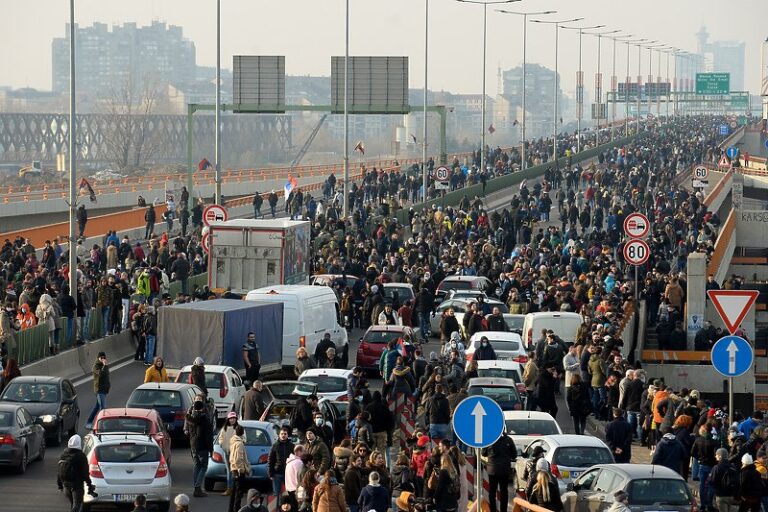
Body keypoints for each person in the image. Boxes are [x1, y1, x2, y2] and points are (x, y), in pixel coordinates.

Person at [57, 434, 95, 512]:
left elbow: (59, 470)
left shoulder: (64, 454)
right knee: (77, 506)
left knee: (73, 504)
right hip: (77, 486)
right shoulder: (81, 456)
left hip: (66, 485)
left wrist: (60, 485)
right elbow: (85, 473)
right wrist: (89, 486)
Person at [186, 394, 214, 498]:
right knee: (203, 466)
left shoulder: (190, 418)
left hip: (193, 445)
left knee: (197, 465)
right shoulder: (204, 419)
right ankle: (197, 487)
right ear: (202, 408)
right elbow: (208, 436)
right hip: (202, 446)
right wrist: (211, 449)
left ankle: (196, 487)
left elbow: (189, 432)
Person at [481, 432, 517, 512]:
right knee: (504, 491)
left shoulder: (490, 439)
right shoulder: (509, 440)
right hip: (504, 470)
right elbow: (514, 455)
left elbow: (483, 453)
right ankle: (503, 510)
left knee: (492, 491)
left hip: (492, 470)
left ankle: (493, 510)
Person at [219, 412, 243, 496]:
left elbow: (244, 439)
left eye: (234, 418)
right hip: (227, 452)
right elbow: (220, 438)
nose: (232, 420)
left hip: (236, 453)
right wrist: (222, 444)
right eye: (231, 418)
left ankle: (237, 489)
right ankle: (229, 488)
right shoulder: (224, 429)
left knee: (236, 470)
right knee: (229, 470)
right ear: (228, 419)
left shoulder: (239, 428)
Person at [85, 351, 110, 429]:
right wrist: (105, 365)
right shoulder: (95, 367)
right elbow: (101, 374)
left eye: (104, 357)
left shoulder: (104, 366)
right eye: (101, 358)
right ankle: (103, 425)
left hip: (104, 389)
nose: (103, 359)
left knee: (97, 407)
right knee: (103, 407)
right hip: (99, 390)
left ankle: (88, 422)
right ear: (98, 358)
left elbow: (106, 375)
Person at [708, 448, 739, 512]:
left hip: (721, 495)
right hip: (731, 495)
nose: (715, 456)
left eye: (716, 455)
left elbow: (712, 481)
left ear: (720, 456)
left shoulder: (716, 467)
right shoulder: (732, 467)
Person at [229, 424, 251, 512]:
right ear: (242, 433)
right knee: (239, 493)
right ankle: (236, 509)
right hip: (238, 471)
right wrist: (241, 470)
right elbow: (238, 458)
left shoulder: (233, 441)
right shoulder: (240, 443)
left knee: (234, 492)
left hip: (233, 469)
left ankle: (231, 509)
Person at [269, 426, 296, 498]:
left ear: (287, 435)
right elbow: (270, 460)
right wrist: (270, 473)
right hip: (277, 473)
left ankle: (289, 508)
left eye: (285, 434)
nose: (283, 435)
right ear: (279, 435)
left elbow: (295, 460)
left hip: (288, 473)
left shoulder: (292, 446)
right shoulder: (275, 446)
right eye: (282, 434)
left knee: (290, 493)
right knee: (276, 494)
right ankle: (276, 508)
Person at [285, 445, 305, 510]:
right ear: (299, 452)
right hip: (297, 489)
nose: (304, 453)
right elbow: (299, 478)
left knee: (294, 508)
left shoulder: (289, 462)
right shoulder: (298, 462)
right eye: (303, 451)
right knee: (300, 508)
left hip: (289, 488)